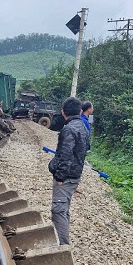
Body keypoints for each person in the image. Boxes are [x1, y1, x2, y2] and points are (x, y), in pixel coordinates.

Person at [48, 97, 89, 245]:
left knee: (58, 211)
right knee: (63, 209)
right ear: (79, 111)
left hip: (66, 177)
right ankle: (61, 241)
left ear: (63, 112)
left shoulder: (69, 129)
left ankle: (62, 247)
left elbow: (66, 155)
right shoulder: (83, 127)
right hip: (75, 174)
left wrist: (60, 176)